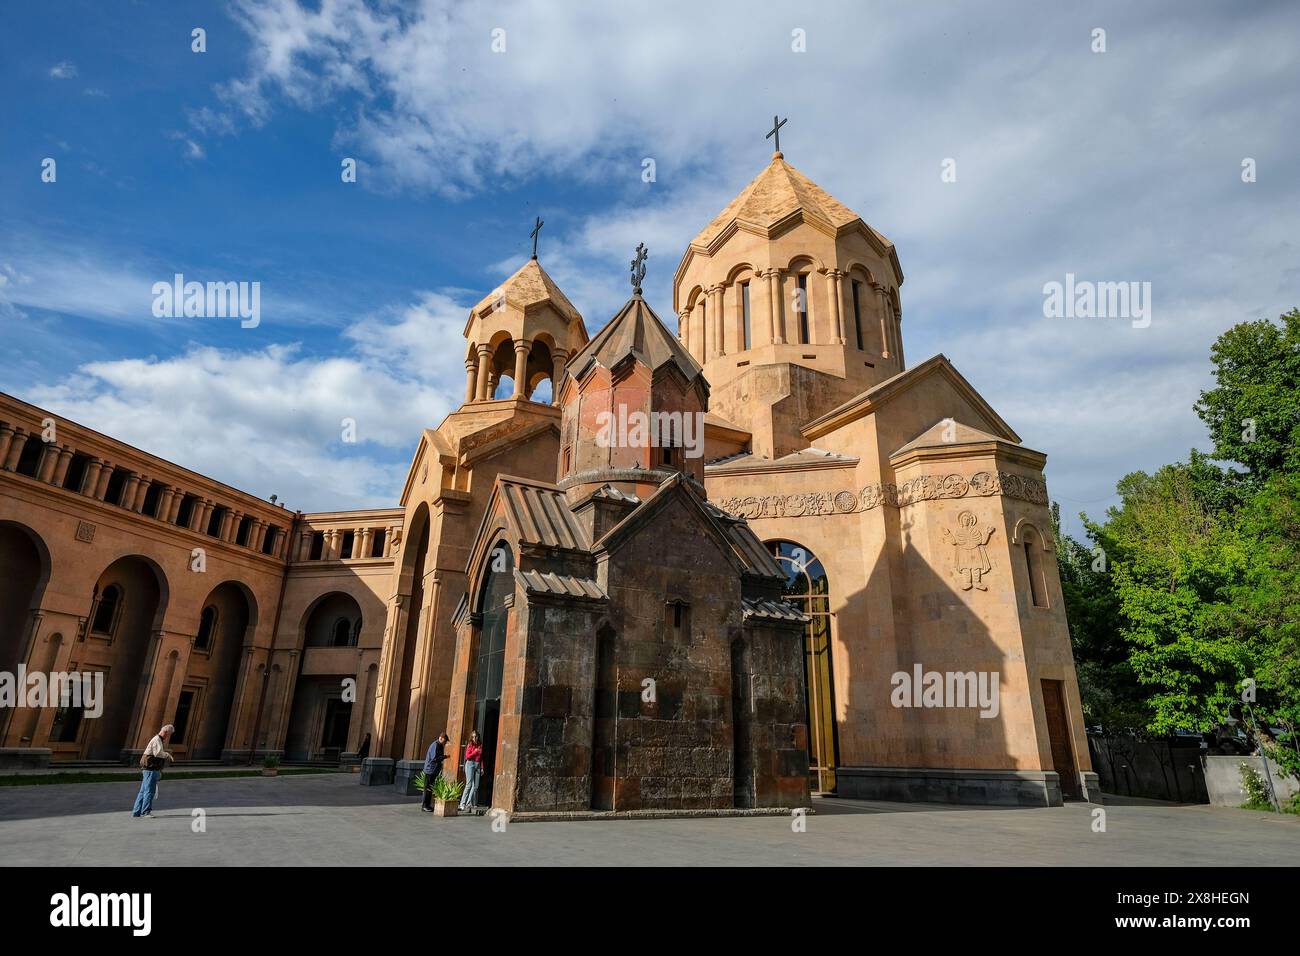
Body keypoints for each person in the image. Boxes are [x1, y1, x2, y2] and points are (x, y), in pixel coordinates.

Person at [131, 724, 174, 818]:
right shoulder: (157, 740)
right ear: (165, 732)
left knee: (143, 791)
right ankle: (145, 812)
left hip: (149, 769)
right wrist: (167, 754)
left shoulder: (157, 739)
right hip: (150, 769)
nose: (168, 737)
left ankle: (136, 811)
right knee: (149, 791)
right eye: (169, 734)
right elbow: (157, 753)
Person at [420, 732, 449, 812]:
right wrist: (444, 757)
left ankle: (427, 805)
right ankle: (425, 805)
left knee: (430, 788)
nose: (445, 743)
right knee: (428, 788)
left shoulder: (439, 745)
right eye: (445, 741)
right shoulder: (435, 745)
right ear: (441, 738)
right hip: (430, 770)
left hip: (433, 770)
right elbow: (434, 758)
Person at [459, 731, 484, 813]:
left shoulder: (480, 745)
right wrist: (475, 751)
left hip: (477, 765)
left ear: (478, 737)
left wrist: (482, 768)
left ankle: (468, 803)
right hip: (470, 764)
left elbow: (481, 758)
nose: (475, 738)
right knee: (469, 784)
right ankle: (462, 804)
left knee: (475, 786)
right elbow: (467, 756)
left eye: (476, 736)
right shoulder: (470, 744)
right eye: (473, 737)